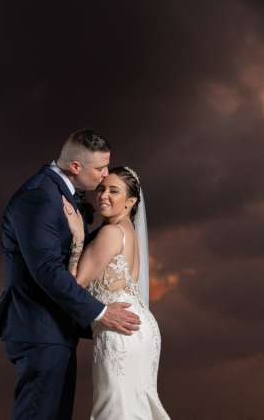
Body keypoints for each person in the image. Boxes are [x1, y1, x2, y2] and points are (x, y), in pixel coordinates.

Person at [0, 130, 141, 420]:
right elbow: (46, 270)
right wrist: (101, 312)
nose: (105, 175)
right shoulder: (39, 197)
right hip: (39, 327)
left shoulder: (61, 193)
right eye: (100, 168)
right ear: (75, 167)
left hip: (56, 329)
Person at [62, 166, 169, 419]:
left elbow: (74, 284)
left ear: (131, 201)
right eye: (100, 189)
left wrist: (78, 237)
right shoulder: (129, 234)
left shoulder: (111, 233)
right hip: (141, 329)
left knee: (115, 409)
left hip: (119, 330)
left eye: (113, 191)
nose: (103, 196)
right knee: (134, 408)